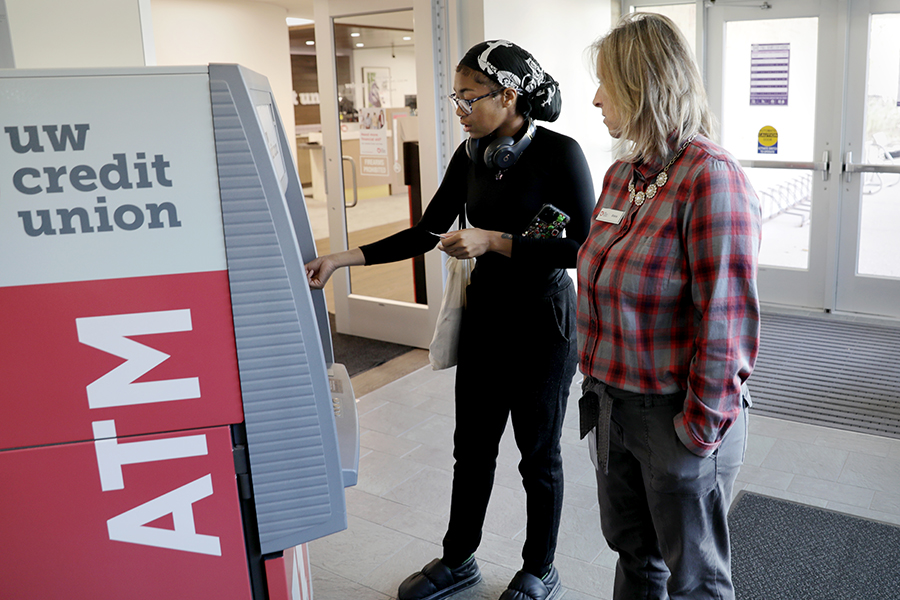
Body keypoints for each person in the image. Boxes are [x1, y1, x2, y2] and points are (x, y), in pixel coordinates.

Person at [306, 40, 594, 600]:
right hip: (486, 318)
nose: (459, 109)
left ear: (508, 95)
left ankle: (540, 567)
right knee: (473, 448)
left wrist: (494, 240)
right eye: (456, 97)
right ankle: (459, 557)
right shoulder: (471, 156)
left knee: (538, 454)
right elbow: (426, 229)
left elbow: (579, 247)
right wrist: (345, 259)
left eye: (468, 97)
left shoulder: (562, 155)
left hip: (543, 321)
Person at [575, 13, 761, 600]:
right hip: (612, 406)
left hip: (676, 415)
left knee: (695, 581)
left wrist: (698, 432)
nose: (596, 97)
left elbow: (725, 322)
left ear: (644, 84)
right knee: (636, 558)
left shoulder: (710, 177)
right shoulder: (621, 177)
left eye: (607, 82)